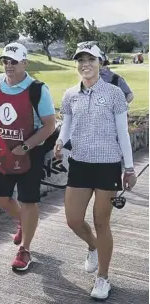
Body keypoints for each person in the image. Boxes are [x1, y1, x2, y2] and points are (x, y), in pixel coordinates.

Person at [54, 42, 137, 300]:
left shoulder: (114, 94)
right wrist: (60, 141)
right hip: (79, 164)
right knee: (73, 220)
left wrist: (129, 168)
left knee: (102, 222)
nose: (85, 64)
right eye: (80, 59)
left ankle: (103, 278)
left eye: (90, 59)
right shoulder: (70, 95)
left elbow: (123, 133)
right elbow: (66, 126)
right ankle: (92, 246)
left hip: (108, 165)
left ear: (100, 62)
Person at [0, 42, 56, 271]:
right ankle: (23, 221)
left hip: (30, 153)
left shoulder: (38, 89)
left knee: (29, 200)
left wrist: (26, 146)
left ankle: (25, 249)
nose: (8, 65)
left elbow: (49, 126)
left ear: (25, 63)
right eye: (5, 61)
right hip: (1, 150)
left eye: (14, 61)